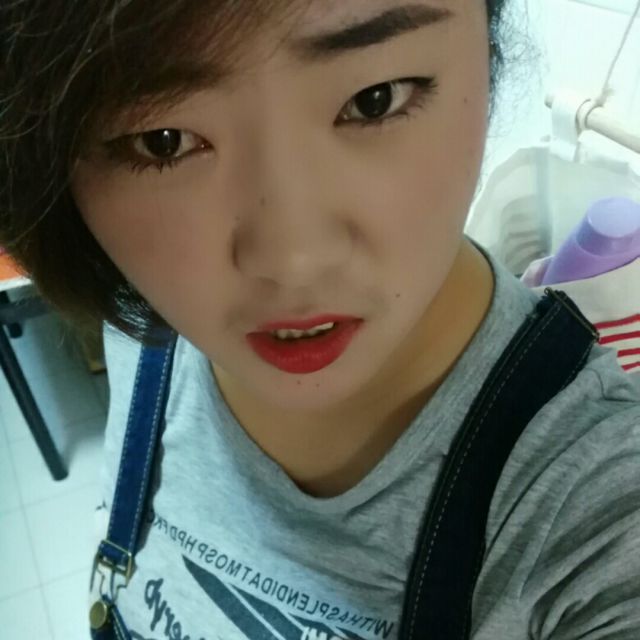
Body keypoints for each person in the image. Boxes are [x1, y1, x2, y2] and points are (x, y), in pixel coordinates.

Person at [1, 1, 639, 638]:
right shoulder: (143, 319)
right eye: (163, 140)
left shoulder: (594, 508)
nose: (294, 262)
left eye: (374, 101)